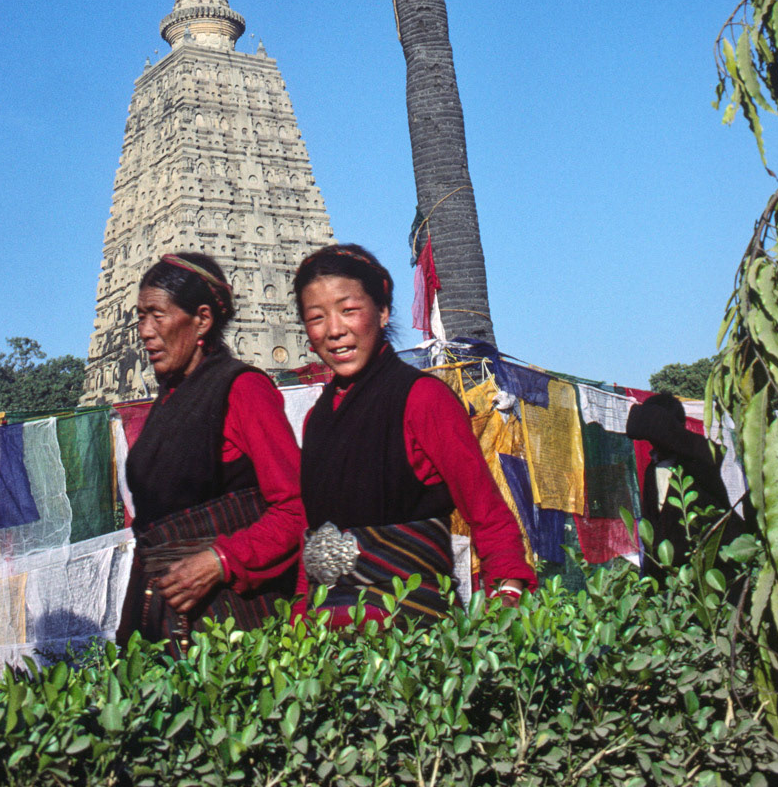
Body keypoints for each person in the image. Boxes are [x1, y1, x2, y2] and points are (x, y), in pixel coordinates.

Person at [294, 244, 537, 625]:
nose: (335, 330)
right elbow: (311, 538)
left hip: (411, 634)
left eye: (349, 310)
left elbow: (487, 514)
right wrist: (298, 620)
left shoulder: (423, 399)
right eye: (316, 317)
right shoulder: (316, 420)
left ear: (383, 311)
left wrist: (507, 593)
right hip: (325, 641)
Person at [116, 252, 303, 652]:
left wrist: (221, 560)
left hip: (230, 616)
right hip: (156, 611)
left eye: (157, 315)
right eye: (140, 317)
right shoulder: (167, 403)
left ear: (202, 319)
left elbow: (297, 507)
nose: (145, 332)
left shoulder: (242, 390)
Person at [625, 390, 743, 578]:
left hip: (712, 570)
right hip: (670, 577)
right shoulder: (652, 470)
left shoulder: (701, 459)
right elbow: (652, 524)